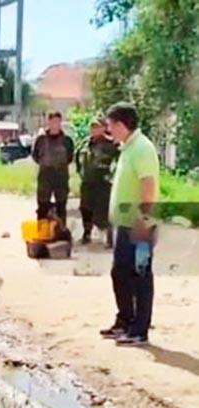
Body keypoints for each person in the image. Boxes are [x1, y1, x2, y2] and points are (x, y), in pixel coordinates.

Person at [100, 102, 159, 346]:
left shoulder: (143, 148)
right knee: (120, 273)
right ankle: (125, 320)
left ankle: (139, 329)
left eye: (111, 125)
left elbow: (149, 186)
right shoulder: (128, 148)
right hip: (125, 224)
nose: (108, 129)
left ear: (122, 124)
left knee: (140, 276)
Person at [76, 118, 119, 246]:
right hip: (88, 181)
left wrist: (112, 175)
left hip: (103, 182)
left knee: (105, 209)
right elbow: (77, 158)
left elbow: (119, 161)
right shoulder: (85, 144)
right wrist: (81, 173)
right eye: (92, 127)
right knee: (85, 208)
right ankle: (87, 233)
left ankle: (109, 237)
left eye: (97, 127)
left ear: (104, 128)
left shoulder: (112, 144)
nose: (94, 130)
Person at [31, 112, 75, 224]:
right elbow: (35, 156)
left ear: (60, 123)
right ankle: (42, 231)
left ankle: (61, 231)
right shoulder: (41, 139)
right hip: (45, 176)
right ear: (48, 122)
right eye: (53, 121)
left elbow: (70, 157)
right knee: (42, 205)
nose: (55, 124)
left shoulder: (67, 141)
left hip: (61, 176)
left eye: (57, 122)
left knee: (61, 205)